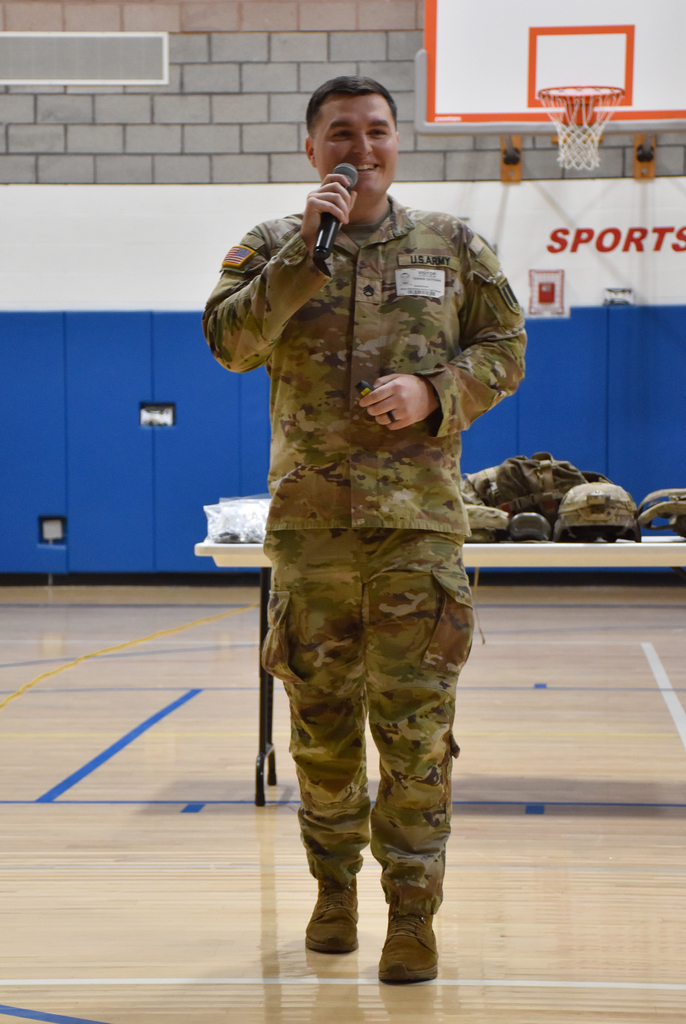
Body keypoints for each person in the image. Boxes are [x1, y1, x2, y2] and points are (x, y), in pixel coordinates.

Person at [202, 76, 526, 983]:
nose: (361, 147)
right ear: (312, 150)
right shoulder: (273, 246)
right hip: (311, 541)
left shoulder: (453, 246)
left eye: (376, 131)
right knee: (322, 732)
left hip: (416, 540)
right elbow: (228, 343)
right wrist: (305, 252)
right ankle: (334, 892)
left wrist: (436, 393)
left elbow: (506, 348)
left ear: (397, 142)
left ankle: (413, 916)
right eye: (340, 133)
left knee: (419, 739)